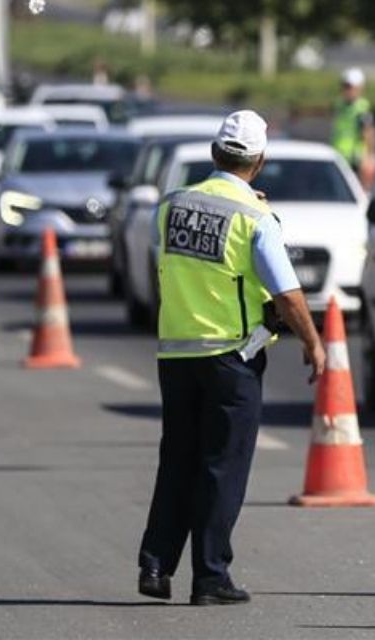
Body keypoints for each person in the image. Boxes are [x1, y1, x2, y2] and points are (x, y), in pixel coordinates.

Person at [137, 110, 326, 605]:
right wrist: (314, 342)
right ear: (258, 162)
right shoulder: (255, 219)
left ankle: (155, 566)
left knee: (177, 459)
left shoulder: (172, 206)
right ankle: (210, 576)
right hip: (230, 356)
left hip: (175, 352)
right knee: (222, 466)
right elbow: (286, 294)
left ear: (214, 154)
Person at [330, 67, 375, 188]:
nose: (347, 90)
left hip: (355, 159)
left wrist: (369, 156)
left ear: (359, 88)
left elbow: (368, 132)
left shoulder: (362, 108)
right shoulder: (339, 104)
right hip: (337, 154)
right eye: (345, 86)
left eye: (350, 87)